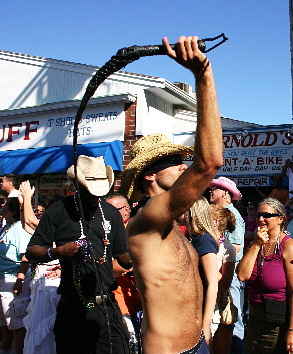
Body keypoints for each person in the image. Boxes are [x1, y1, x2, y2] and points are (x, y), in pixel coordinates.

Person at [120, 35, 223, 354]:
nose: (183, 168)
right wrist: (203, 75)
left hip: (196, 345)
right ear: (149, 174)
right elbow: (209, 164)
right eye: (175, 163)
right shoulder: (146, 219)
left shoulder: (170, 226)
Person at [26, 155, 130, 354]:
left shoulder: (111, 213)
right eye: (90, 190)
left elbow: (122, 255)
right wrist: (58, 252)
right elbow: (32, 251)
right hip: (74, 307)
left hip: (108, 305)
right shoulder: (58, 211)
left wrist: (139, 254)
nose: (95, 196)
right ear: (77, 184)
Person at [237, 198, 293, 354]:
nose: (260, 219)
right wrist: (256, 244)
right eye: (259, 214)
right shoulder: (258, 243)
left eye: (266, 215)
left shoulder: (288, 246)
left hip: (278, 321)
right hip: (255, 319)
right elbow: (242, 275)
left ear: (280, 219)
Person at [18, 180, 61, 354]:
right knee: (38, 326)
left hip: (51, 282)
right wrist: (23, 204)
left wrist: (28, 197)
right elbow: (26, 225)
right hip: (41, 279)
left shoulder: (59, 230)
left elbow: (30, 221)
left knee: (46, 329)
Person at [0, 197, 32, 354]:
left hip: (12, 279)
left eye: (6, 205)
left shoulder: (20, 228)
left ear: (13, 210)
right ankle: (6, 348)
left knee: (16, 322)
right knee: (4, 320)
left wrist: (20, 279)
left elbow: (26, 256)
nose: (2, 208)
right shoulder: (5, 227)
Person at [209, 176, 246, 353]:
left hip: (228, 276)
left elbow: (236, 247)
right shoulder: (224, 214)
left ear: (225, 193)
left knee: (231, 319)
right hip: (223, 274)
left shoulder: (232, 216)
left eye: (214, 188)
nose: (210, 191)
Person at [105, 193, 141, 354]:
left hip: (135, 303)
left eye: (112, 209)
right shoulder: (104, 231)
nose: (106, 214)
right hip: (115, 302)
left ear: (126, 210)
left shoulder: (133, 232)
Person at [183, 197, 220, 347]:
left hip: (200, 316)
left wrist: (206, 326)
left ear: (191, 214)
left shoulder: (203, 240)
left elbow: (213, 283)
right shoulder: (193, 239)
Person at [210, 205, 237, 354]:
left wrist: (208, 264)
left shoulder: (228, 248)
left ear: (215, 222)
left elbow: (226, 282)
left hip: (220, 304)